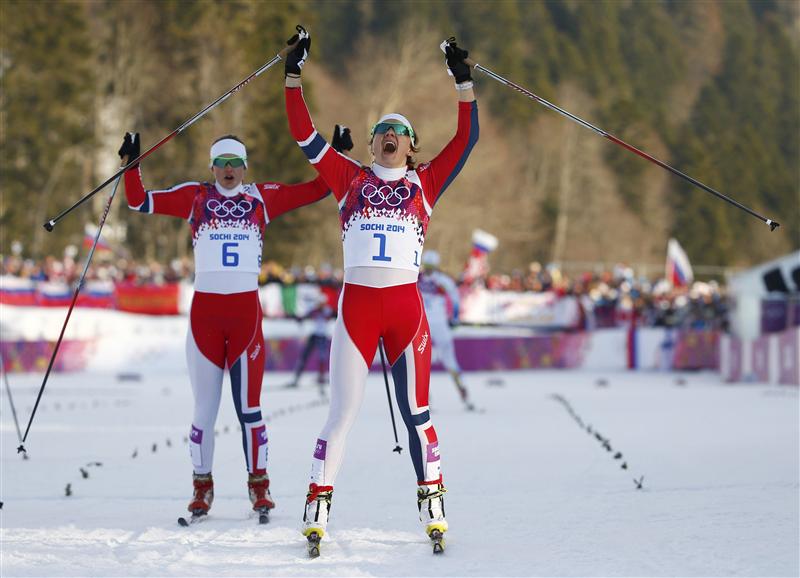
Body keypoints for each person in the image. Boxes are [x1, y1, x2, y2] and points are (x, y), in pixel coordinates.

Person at [283, 27, 479, 551]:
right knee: (341, 414)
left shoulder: (425, 183)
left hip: (405, 311)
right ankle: (317, 505)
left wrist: (462, 84)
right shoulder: (348, 177)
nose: (390, 135)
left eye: (399, 131)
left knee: (418, 413)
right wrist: (292, 74)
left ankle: (433, 501)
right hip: (358, 311)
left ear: (412, 146)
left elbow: (466, 141)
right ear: (372, 143)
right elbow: (304, 135)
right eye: (382, 130)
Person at [118, 131, 332, 520]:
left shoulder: (261, 197)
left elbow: (319, 189)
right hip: (205, 320)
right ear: (212, 166)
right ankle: (202, 488)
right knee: (204, 412)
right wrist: (131, 166)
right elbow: (138, 201)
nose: (229, 170)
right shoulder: (196, 196)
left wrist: (334, 153)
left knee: (250, 409)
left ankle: (259, 487)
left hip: (245, 318)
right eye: (222, 163)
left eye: (236, 163)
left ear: (245, 167)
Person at [418, 250, 474, 411]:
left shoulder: (436, 280)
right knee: (422, 363)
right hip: (426, 325)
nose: (427, 269)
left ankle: (464, 394)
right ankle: (424, 401)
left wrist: (454, 318)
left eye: (429, 266)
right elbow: (456, 300)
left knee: (447, 361)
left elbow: (455, 299)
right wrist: (455, 319)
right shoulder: (429, 279)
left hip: (435, 325)